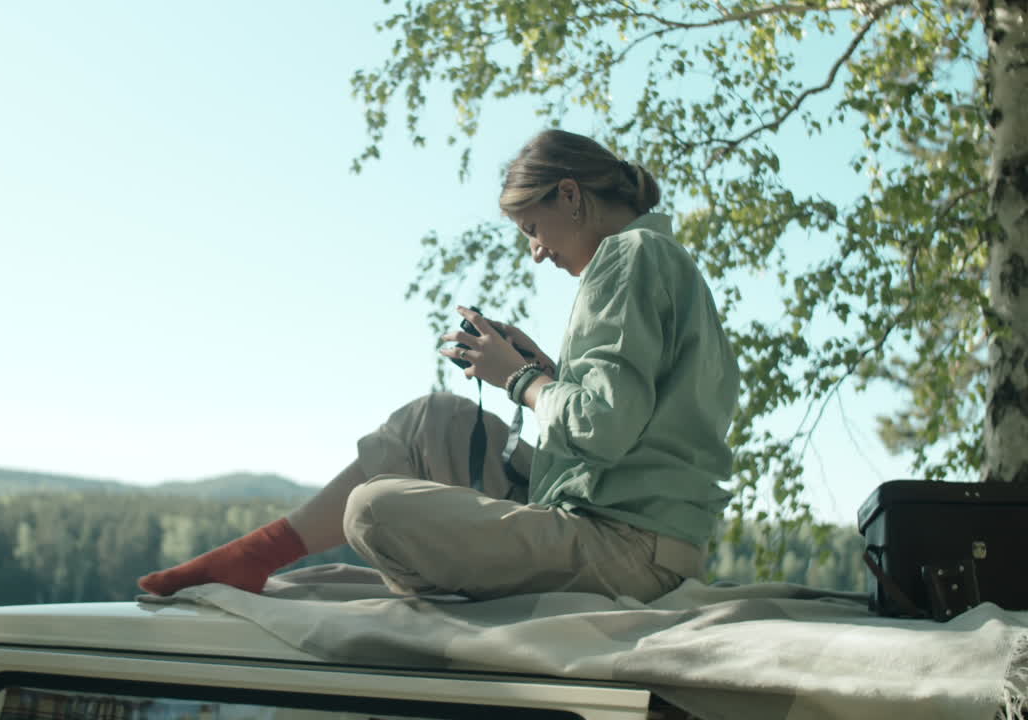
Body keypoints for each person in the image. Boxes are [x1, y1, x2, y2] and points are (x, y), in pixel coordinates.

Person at [138, 129, 739, 602]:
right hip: (618, 524)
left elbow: (601, 429)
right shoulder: (656, 261)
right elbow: (633, 424)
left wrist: (521, 378)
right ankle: (258, 554)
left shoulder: (627, 258)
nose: (535, 252)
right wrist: (548, 370)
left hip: (627, 550)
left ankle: (433, 589)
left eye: (532, 228)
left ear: (571, 195)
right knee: (435, 420)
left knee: (371, 511)